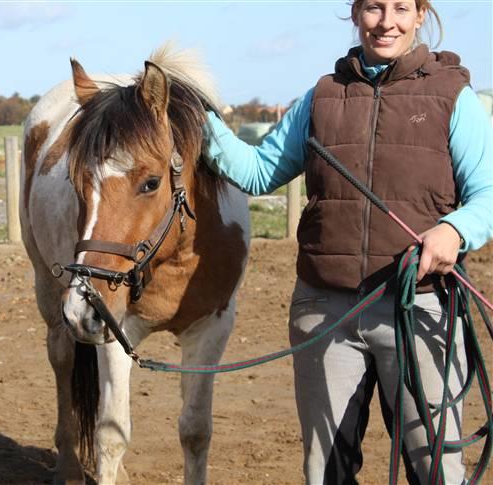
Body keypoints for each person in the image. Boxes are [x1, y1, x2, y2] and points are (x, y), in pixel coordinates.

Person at [203, 0, 493, 483]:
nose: (387, 22)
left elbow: (488, 193)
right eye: (374, 8)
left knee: (436, 469)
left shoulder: (453, 97)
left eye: (401, 8)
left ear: (421, 15)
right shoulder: (320, 98)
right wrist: (197, 117)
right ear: (355, 13)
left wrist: (454, 229)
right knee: (326, 473)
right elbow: (257, 173)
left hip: (419, 310)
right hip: (325, 312)